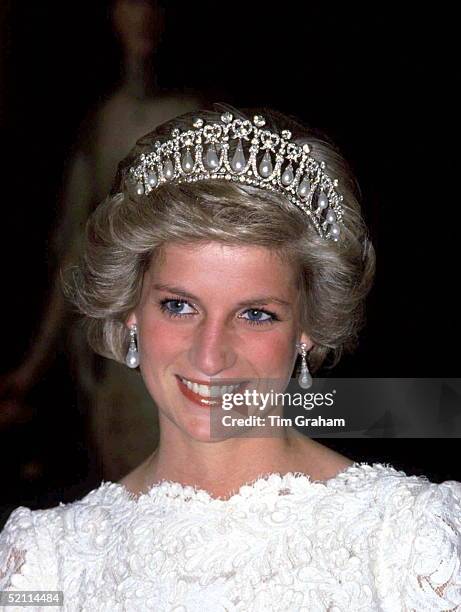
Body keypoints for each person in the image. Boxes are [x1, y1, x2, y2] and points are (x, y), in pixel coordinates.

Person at [0, 105, 460, 610]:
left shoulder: (410, 541)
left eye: (256, 314)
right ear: (132, 310)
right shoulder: (43, 563)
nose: (210, 355)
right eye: (179, 306)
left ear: (307, 329)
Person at [0, 0, 204, 481]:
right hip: (118, 354)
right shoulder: (105, 122)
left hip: (182, 348)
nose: (144, 16)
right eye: (131, 3)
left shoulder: (195, 117)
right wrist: (33, 367)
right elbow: (79, 253)